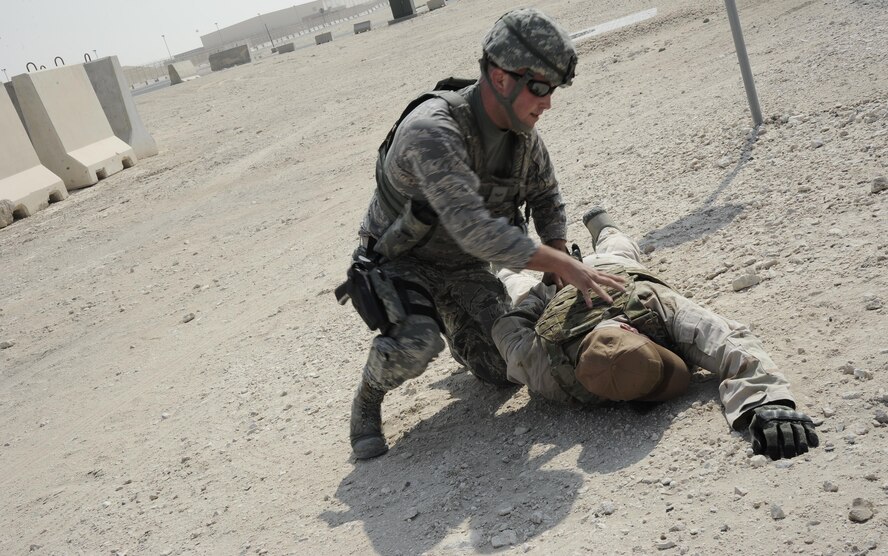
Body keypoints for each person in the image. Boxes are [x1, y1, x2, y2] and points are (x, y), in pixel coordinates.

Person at [343, 9, 626, 460]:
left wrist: (554, 249)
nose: (548, 101)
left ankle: (455, 322)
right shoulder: (432, 132)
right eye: (539, 87)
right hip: (402, 261)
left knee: (501, 371)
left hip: (464, 267)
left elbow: (546, 196)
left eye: (552, 89)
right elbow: (477, 231)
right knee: (418, 342)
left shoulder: (521, 135)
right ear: (499, 77)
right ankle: (366, 402)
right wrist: (564, 264)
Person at [492, 208, 819, 460]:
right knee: (521, 281)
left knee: (609, 252)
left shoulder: (548, 372)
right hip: (576, 287)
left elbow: (508, 329)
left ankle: (601, 225)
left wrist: (768, 404)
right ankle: (516, 255)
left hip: (606, 270)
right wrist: (548, 289)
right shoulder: (655, 309)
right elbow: (727, 341)